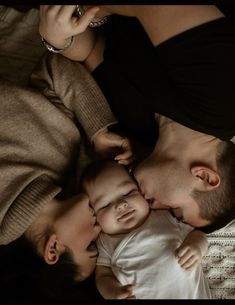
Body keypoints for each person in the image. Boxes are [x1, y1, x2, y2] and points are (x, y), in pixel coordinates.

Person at [38, 5, 235, 233]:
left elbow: (92, 50)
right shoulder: (222, 101)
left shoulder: (143, 133)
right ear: (205, 177)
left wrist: (58, 38)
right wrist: (86, 12)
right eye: (175, 211)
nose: (153, 207)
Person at [0, 53, 133, 301]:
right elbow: (54, 68)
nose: (100, 229)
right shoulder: (72, 161)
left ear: (53, 249)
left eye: (90, 246)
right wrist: (98, 131)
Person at [81, 160, 211, 299]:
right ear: (94, 216)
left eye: (128, 193)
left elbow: (198, 233)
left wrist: (196, 245)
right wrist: (113, 292)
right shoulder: (105, 242)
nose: (120, 205)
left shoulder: (164, 216)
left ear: (141, 191)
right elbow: (103, 277)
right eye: (105, 205)